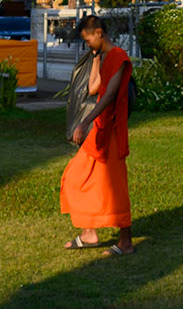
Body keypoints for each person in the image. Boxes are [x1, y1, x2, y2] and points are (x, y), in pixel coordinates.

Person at [61, 15, 134, 256]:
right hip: (100, 130)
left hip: (111, 131)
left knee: (115, 185)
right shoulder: (104, 57)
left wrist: (85, 120)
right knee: (76, 177)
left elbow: (110, 94)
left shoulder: (120, 58)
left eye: (88, 40)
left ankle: (126, 242)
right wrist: (95, 57)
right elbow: (94, 88)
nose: (87, 44)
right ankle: (89, 232)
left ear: (99, 33)